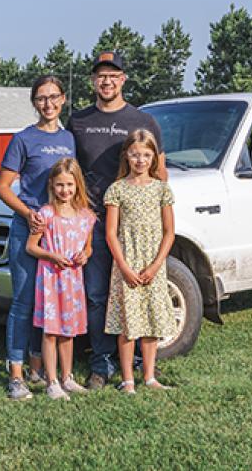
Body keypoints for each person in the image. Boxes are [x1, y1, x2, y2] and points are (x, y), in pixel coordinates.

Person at [59, 50, 167, 391]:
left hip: (136, 223)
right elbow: (68, 170)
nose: (106, 81)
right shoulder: (78, 121)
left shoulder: (144, 121)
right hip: (92, 219)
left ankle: (138, 366)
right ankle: (100, 364)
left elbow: (160, 173)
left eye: (113, 75)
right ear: (94, 81)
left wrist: (159, 212)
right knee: (96, 294)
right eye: (100, 76)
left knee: (137, 290)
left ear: (122, 80)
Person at [0, 75, 76, 401]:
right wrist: (28, 214)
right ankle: (16, 374)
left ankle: (37, 368)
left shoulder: (70, 139)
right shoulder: (23, 140)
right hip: (29, 229)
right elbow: (3, 187)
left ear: (63, 100)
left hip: (59, 233)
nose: (48, 103)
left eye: (54, 97)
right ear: (34, 103)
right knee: (24, 301)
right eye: (41, 98)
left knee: (49, 305)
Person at [103, 129, 177, 392]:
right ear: (127, 156)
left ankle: (149, 376)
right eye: (135, 155)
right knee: (128, 324)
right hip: (127, 264)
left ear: (154, 158)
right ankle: (127, 380)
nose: (140, 160)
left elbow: (169, 232)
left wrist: (156, 265)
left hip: (153, 264)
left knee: (151, 320)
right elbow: (111, 233)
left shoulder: (161, 190)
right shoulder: (117, 189)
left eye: (146, 155)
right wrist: (124, 267)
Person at [25, 158, 95, 400]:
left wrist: (84, 255)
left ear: (78, 185)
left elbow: (88, 248)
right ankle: (51, 380)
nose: (65, 190)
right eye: (59, 185)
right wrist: (52, 256)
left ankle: (68, 377)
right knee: (51, 332)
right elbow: (31, 247)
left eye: (69, 185)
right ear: (51, 186)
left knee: (69, 332)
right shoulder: (46, 214)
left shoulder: (86, 216)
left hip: (73, 281)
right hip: (51, 280)